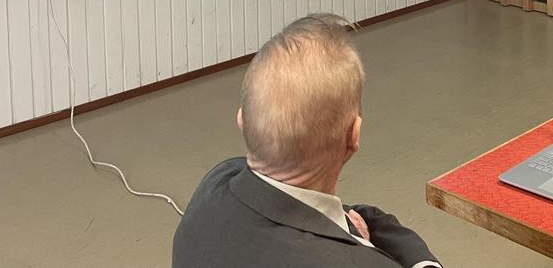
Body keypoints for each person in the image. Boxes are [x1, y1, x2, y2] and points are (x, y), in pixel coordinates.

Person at [172, 14, 442, 268]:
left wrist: (350, 231)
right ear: (353, 136)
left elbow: (326, 213)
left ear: (242, 120)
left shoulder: (216, 182)